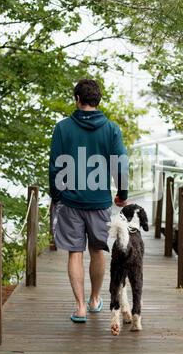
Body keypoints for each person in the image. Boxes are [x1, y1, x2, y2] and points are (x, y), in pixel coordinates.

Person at [49, 79, 128, 322]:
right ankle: (95, 300)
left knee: (75, 252)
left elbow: (55, 167)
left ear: (77, 99)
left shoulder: (62, 128)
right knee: (97, 250)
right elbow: (120, 164)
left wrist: (57, 195)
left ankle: (80, 307)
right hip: (99, 203)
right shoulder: (112, 129)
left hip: (71, 202)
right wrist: (122, 194)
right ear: (97, 101)